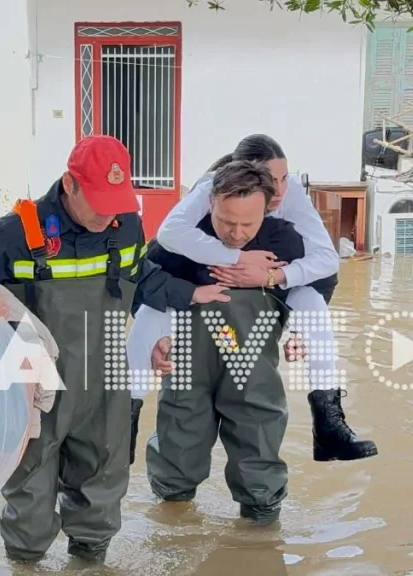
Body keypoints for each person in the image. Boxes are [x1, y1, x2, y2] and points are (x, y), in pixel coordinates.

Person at [0, 134, 228, 564]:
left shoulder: (125, 225)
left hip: (104, 387)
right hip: (33, 392)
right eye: (99, 200)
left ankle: (89, 565)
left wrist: (187, 298)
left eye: (117, 201)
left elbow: (140, 279)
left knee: (101, 497)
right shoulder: (17, 234)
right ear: (70, 184)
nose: (109, 213)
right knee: (28, 513)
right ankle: (24, 563)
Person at [132, 134, 378, 463]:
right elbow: (168, 236)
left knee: (314, 310)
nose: (278, 191)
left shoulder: (288, 200)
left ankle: (328, 423)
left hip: (266, 286)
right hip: (194, 280)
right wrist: (235, 259)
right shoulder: (210, 189)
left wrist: (271, 279)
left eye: (283, 178)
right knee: (149, 319)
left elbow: (327, 261)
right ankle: (124, 425)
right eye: (270, 180)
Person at [133, 159, 301, 524]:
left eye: (247, 224)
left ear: (268, 207)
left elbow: (316, 286)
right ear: (210, 203)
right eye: (227, 222)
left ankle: (260, 531)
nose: (237, 234)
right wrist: (157, 336)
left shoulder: (285, 239)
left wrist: (302, 328)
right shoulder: (176, 240)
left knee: (258, 435)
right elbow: (141, 285)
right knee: (179, 439)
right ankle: (173, 526)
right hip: (188, 362)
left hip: (252, 366)